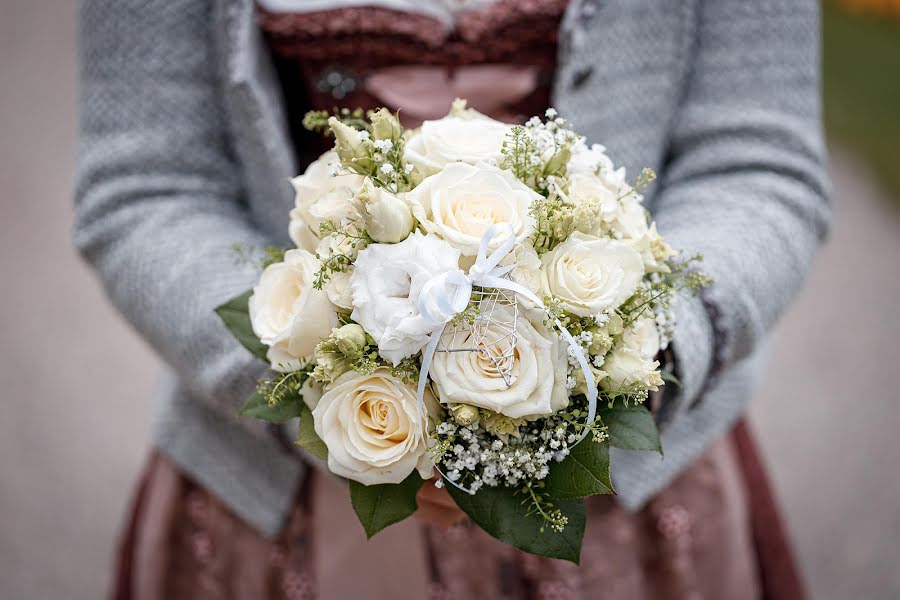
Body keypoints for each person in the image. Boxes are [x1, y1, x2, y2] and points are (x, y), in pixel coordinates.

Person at [74, 1, 830, 598]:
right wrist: (324, 387)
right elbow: (146, 185)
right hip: (278, 491)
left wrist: (622, 367)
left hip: (632, 499)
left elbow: (758, 163)